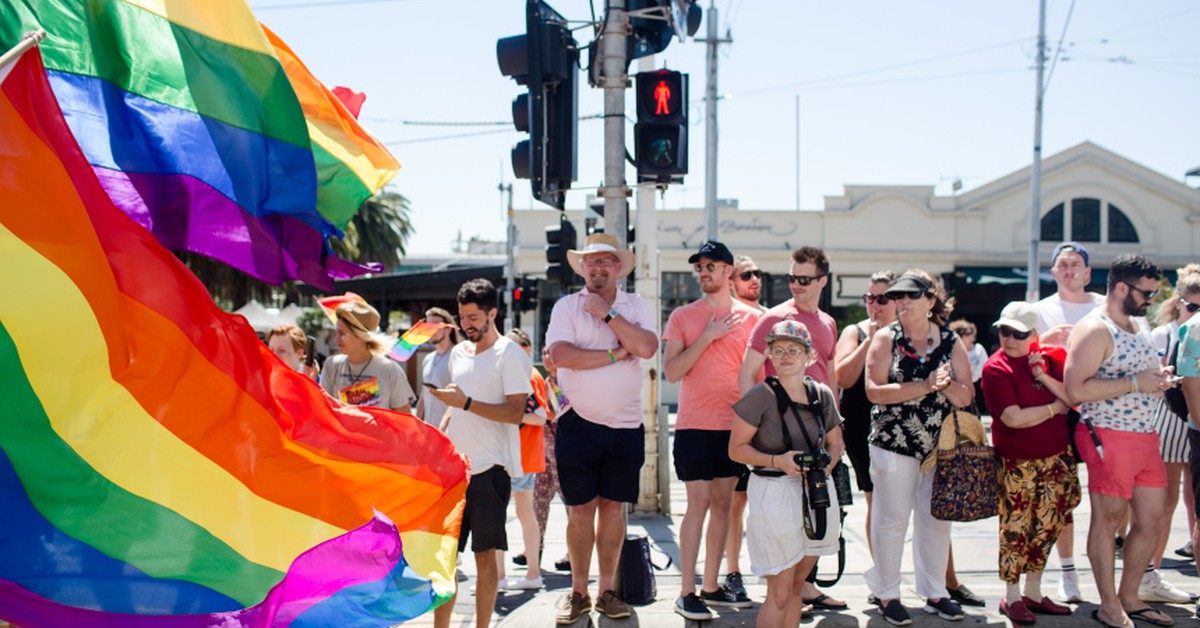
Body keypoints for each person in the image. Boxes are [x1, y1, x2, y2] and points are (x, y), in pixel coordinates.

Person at [545, 233, 658, 624]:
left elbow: (645, 347)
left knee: (613, 510)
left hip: (626, 426)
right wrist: (614, 352)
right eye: (591, 262)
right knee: (579, 512)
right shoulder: (565, 307)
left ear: (617, 269)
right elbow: (560, 356)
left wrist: (607, 315)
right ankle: (578, 592)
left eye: (605, 262)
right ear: (582, 268)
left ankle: (608, 591)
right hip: (577, 422)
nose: (597, 268)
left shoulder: (635, 305)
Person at [1064, 254, 1178, 628]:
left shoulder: (1138, 324)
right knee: (1108, 519)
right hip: (1107, 436)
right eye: (1146, 292)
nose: (1152, 299)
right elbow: (1074, 389)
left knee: (1153, 519)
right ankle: (1109, 604)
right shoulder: (1094, 328)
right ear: (1122, 288)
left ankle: (1130, 596)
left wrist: (1157, 379)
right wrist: (1135, 383)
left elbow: (1138, 375)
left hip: (1146, 436)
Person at [863, 270, 973, 626]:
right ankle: (888, 593)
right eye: (897, 297)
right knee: (891, 520)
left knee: (936, 520)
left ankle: (935, 592)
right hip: (894, 442)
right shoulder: (885, 339)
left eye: (910, 296)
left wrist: (946, 386)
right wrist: (925, 385)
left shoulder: (951, 341)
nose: (902, 303)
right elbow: (874, 392)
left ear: (931, 301)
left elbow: (967, 395)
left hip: (938, 445)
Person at [738, 246, 844, 610]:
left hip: (816, 450)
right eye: (791, 278)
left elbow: (829, 378)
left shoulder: (828, 324)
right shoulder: (776, 320)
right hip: (777, 454)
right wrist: (759, 425)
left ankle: (806, 590)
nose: (796, 285)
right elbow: (747, 374)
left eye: (804, 279)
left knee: (806, 556)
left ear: (822, 281)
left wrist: (832, 450)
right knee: (780, 585)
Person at [664, 241, 760, 620]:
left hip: (734, 427)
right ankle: (686, 591)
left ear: (727, 271)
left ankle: (711, 586)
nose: (703, 273)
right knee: (698, 506)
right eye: (699, 267)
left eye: (710, 266)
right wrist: (707, 336)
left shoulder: (753, 319)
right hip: (694, 426)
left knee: (724, 506)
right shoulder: (683, 317)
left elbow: (758, 374)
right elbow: (672, 371)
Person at [428, 279, 532, 628]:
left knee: (485, 557)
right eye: (461, 317)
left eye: (473, 317)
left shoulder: (511, 355)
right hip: (454, 472)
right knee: (445, 560)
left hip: (490, 471)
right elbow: (456, 408)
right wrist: (439, 435)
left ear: (492, 313)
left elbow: (516, 412)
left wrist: (467, 403)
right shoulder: (458, 353)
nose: (466, 324)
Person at [980, 301, 1080, 624]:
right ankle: (1011, 596)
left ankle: (1033, 592)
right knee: (1015, 529)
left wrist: (1044, 378)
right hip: (1017, 461)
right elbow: (1013, 418)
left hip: (1056, 458)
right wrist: (1053, 409)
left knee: (1048, 524)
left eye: (1017, 334)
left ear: (1033, 335)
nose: (1008, 339)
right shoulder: (996, 368)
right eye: (1004, 331)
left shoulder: (1048, 360)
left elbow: (1073, 398)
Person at [1033, 241, 1103, 602]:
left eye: (1076, 264)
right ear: (1053, 271)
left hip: (1104, 410)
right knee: (1062, 497)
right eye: (1063, 264)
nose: (1070, 270)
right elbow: (1018, 354)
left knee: (1108, 495)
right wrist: (1043, 340)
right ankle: (1067, 571)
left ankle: (1114, 571)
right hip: (1060, 410)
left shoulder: (1104, 308)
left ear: (1088, 273)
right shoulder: (1040, 311)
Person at [1137, 266, 1200, 604]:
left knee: (1193, 502)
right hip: (1173, 416)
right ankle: (1151, 572)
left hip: (1189, 415)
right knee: (1165, 502)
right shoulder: (1163, 333)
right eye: (1191, 305)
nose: (1194, 312)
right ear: (1178, 302)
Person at [833, 269, 896, 554]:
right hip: (863, 427)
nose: (874, 304)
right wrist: (869, 342)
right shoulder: (855, 331)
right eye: (870, 297)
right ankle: (881, 571)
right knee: (875, 500)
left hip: (902, 426)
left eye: (882, 298)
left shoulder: (907, 334)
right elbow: (842, 377)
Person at [724, 254, 767, 601]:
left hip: (769, 422)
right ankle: (732, 571)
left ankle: (770, 569)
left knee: (767, 500)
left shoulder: (770, 318)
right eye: (746, 275)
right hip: (733, 420)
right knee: (735, 501)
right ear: (732, 281)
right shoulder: (731, 316)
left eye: (757, 274)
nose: (755, 279)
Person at [497, 328, 547, 591]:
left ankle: (526, 575)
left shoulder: (529, 374)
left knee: (516, 514)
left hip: (520, 455)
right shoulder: (519, 372)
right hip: (512, 454)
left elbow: (540, 417)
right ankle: (511, 576)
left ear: (525, 349)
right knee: (513, 514)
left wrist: (504, 414)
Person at [319, 300, 415, 411]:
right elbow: (323, 412)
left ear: (361, 336)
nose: (337, 339)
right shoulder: (332, 365)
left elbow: (404, 420)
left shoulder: (390, 370)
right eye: (337, 333)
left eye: (342, 334)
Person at [416, 307, 460, 424]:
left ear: (448, 330)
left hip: (451, 431)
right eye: (428, 326)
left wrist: (445, 425)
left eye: (435, 325)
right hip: (430, 430)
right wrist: (417, 424)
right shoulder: (427, 359)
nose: (431, 330)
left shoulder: (458, 356)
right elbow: (424, 395)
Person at [950, 319, 988, 411]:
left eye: (972, 333)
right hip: (960, 386)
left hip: (978, 385)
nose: (971, 336)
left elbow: (986, 367)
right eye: (967, 333)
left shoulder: (979, 349)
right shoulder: (952, 351)